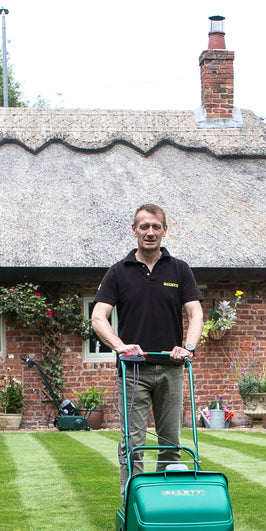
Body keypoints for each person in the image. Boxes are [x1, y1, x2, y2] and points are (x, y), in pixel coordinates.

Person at [90, 203, 203, 490]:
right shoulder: (118, 272)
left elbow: (196, 313)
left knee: (171, 444)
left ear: (165, 230)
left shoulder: (179, 270)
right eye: (144, 227)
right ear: (134, 230)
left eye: (155, 227)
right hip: (133, 371)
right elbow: (98, 317)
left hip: (171, 370)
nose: (150, 232)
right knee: (133, 445)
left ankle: (166, 502)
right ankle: (134, 508)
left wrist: (187, 347)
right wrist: (120, 346)